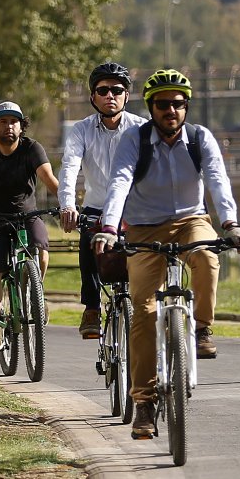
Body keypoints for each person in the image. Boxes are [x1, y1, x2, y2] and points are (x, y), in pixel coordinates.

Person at [92, 68, 240, 440]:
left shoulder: (200, 139)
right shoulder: (135, 139)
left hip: (190, 220)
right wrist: (108, 228)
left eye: (178, 104)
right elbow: (119, 182)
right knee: (144, 311)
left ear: (186, 107)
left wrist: (230, 224)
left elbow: (217, 179)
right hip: (144, 227)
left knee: (206, 256)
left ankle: (201, 328)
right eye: (163, 104)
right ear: (151, 108)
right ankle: (145, 404)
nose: (171, 110)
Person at [58, 62, 147, 339]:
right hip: (96, 208)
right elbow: (70, 167)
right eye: (103, 90)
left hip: (134, 210)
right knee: (88, 243)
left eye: (117, 90)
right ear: (93, 97)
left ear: (127, 95)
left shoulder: (142, 129)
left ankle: (144, 308)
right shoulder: (81, 130)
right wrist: (68, 205)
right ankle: (92, 308)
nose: (111, 95)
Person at [0, 101, 60, 353]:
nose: (9, 126)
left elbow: (49, 179)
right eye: (3, 121)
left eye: (14, 121)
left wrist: (68, 203)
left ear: (21, 126)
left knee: (41, 250)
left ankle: (36, 295)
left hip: (26, 215)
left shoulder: (32, 148)